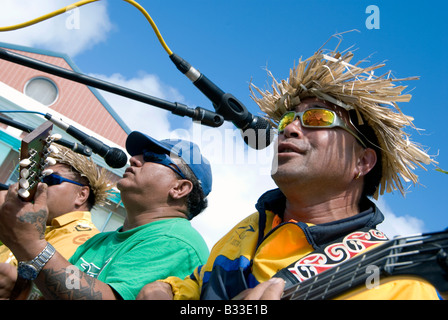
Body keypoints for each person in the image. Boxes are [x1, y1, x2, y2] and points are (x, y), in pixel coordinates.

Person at [137, 38, 441, 300]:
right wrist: (165, 288)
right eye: (286, 121)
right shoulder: (251, 227)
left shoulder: (400, 284)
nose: (290, 128)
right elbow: (194, 284)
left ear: (362, 162)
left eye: (317, 118)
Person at [0, 131, 212, 300]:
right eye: (138, 154)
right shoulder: (101, 241)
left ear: (180, 188)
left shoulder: (176, 242)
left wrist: (31, 247)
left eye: (152, 157)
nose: (134, 160)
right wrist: (21, 287)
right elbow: (57, 288)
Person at [0, 145, 113, 299]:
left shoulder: (89, 243)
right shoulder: (27, 224)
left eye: (50, 179)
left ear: (82, 194)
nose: (38, 186)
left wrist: (21, 287)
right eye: (36, 179)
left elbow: (71, 289)